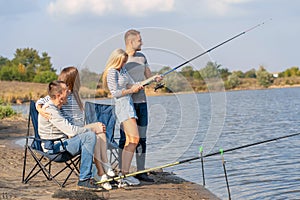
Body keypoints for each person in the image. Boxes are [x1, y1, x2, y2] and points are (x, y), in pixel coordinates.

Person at [36, 66, 114, 190]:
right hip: (54, 147)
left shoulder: (63, 102)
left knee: (95, 134)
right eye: (65, 91)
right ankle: (87, 177)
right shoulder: (50, 109)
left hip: (63, 141)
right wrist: (92, 128)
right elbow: (71, 131)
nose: (68, 92)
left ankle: (101, 172)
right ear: (59, 95)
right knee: (90, 136)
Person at [119, 29, 162, 182]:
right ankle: (122, 171)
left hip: (141, 103)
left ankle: (141, 171)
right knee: (126, 138)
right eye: (139, 40)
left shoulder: (142, 57)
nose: (142, 43)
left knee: (142, 138)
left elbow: (148, 77)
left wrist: (156, 80)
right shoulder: (121, 59)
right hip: (126, 105)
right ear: (131, 42)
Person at [102, 48, 143, 186]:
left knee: (130, 140)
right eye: (122, 61)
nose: (124, 64)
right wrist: (132, 90)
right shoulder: (112, 72)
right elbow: (115, 93)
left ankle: (123, 174)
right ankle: (124, 174)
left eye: (125, 61)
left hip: (129, 104)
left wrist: (140, 85)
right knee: (134, 139)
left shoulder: (123, 70)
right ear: (116, 60)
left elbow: (131, 83)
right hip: (122, 106)